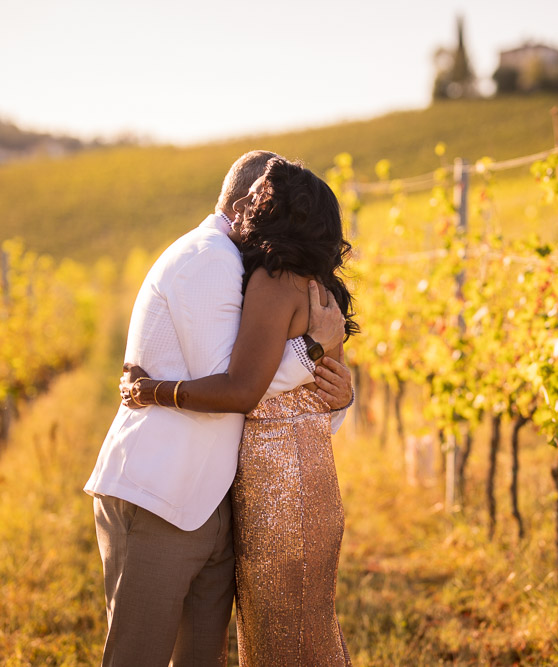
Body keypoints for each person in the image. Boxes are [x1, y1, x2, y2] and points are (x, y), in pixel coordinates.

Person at [84, 151, 354, 667]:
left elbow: (260, 389)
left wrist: (332, 383)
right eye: (254, 199)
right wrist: (311, 351)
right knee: (137, 657)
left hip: (214, 500)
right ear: (243, 203)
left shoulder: (264, 272)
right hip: (159, 494)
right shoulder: (210, 257)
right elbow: (234, 385)